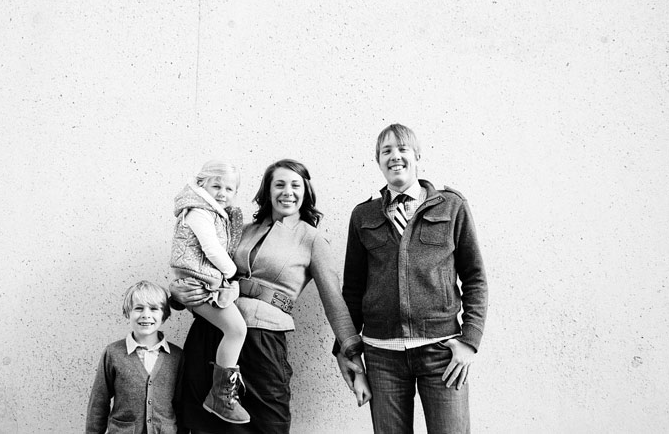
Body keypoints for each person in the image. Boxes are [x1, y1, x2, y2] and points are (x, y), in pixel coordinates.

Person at [172, 159, 370, 434]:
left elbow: (335, 302)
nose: (287, 192)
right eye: (279, 184)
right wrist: (177, 295)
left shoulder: (312, 240)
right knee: (202, 425)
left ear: (306, 191)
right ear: (267, 190)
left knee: (269, 424)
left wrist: (351, 354)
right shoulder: (239, 229)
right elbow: (200, 265)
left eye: (295, 185)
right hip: (211, 332)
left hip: (263, 343)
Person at [335, 123, 488, 434]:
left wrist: (470, 342)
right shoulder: (363, 215)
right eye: (386, 151)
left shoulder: (451, 206)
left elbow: (475, 278)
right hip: (382, 356)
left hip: (441, 353)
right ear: (378, 161)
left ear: (417, 156)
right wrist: (345, 350)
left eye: (402, 149)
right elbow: (352, 290)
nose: (395, 156)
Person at [170, 161, 249, 424]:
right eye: (217, 186)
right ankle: (220, 396)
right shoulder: (199, 211)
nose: (222, 193)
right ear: (201, 184)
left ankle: (221, 394)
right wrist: (231, 273)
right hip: (198, 283)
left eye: (229, 189)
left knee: (234, 330)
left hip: (205, 280)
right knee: (236, 330)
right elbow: (212, 249)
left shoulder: (215, 213)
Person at [86, 280, 183, 434]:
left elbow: (182, 405)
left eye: (154, 309)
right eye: (138, 308)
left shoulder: (177, 356)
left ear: (164, 315)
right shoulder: (113, 353)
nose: (146, 315)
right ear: (127, 313)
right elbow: (98, 403)